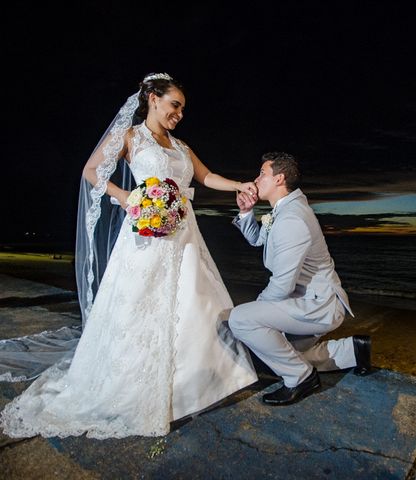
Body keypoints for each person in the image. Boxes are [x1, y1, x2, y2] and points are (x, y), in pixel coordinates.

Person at [0, 72, 258, 439]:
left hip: (185, 236)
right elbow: (91, 171)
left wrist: (238, 184)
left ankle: (197, 385)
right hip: (146, 235)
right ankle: (140, 383)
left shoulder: (181, 147)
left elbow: (206, 176)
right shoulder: (130, 137)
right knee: (140, 305)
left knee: (194, 301)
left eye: (182, 108)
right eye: (175, 105)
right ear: (153, 98)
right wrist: (127, 197)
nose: (179, 114)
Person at [229, 152, 371, 406]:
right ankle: (353, 350)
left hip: (318, 304)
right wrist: (246, 212)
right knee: (277, 351)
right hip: (305, 299)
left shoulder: (292, 218)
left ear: (279, 179)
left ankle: (301, 378)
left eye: (262, 173)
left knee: (241, 319)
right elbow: (257, 240)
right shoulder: (285, 209)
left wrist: (256, 312)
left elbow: (282, 285)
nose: (256, 178)